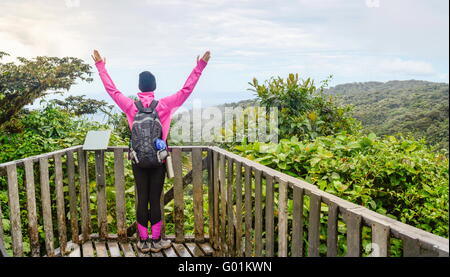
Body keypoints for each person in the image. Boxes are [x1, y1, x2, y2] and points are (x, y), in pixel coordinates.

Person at [92, 49, 211, 253]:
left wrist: (100, 65)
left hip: (138, 160)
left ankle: (143, 242)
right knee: (155, 199)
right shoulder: (163, 105)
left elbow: (112, 90)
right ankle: (156, 242)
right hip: (158, 160)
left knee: (142, 199)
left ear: (139, 88)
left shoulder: (131, 106)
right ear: (154, 87)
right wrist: (200, 66)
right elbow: (186, 90)